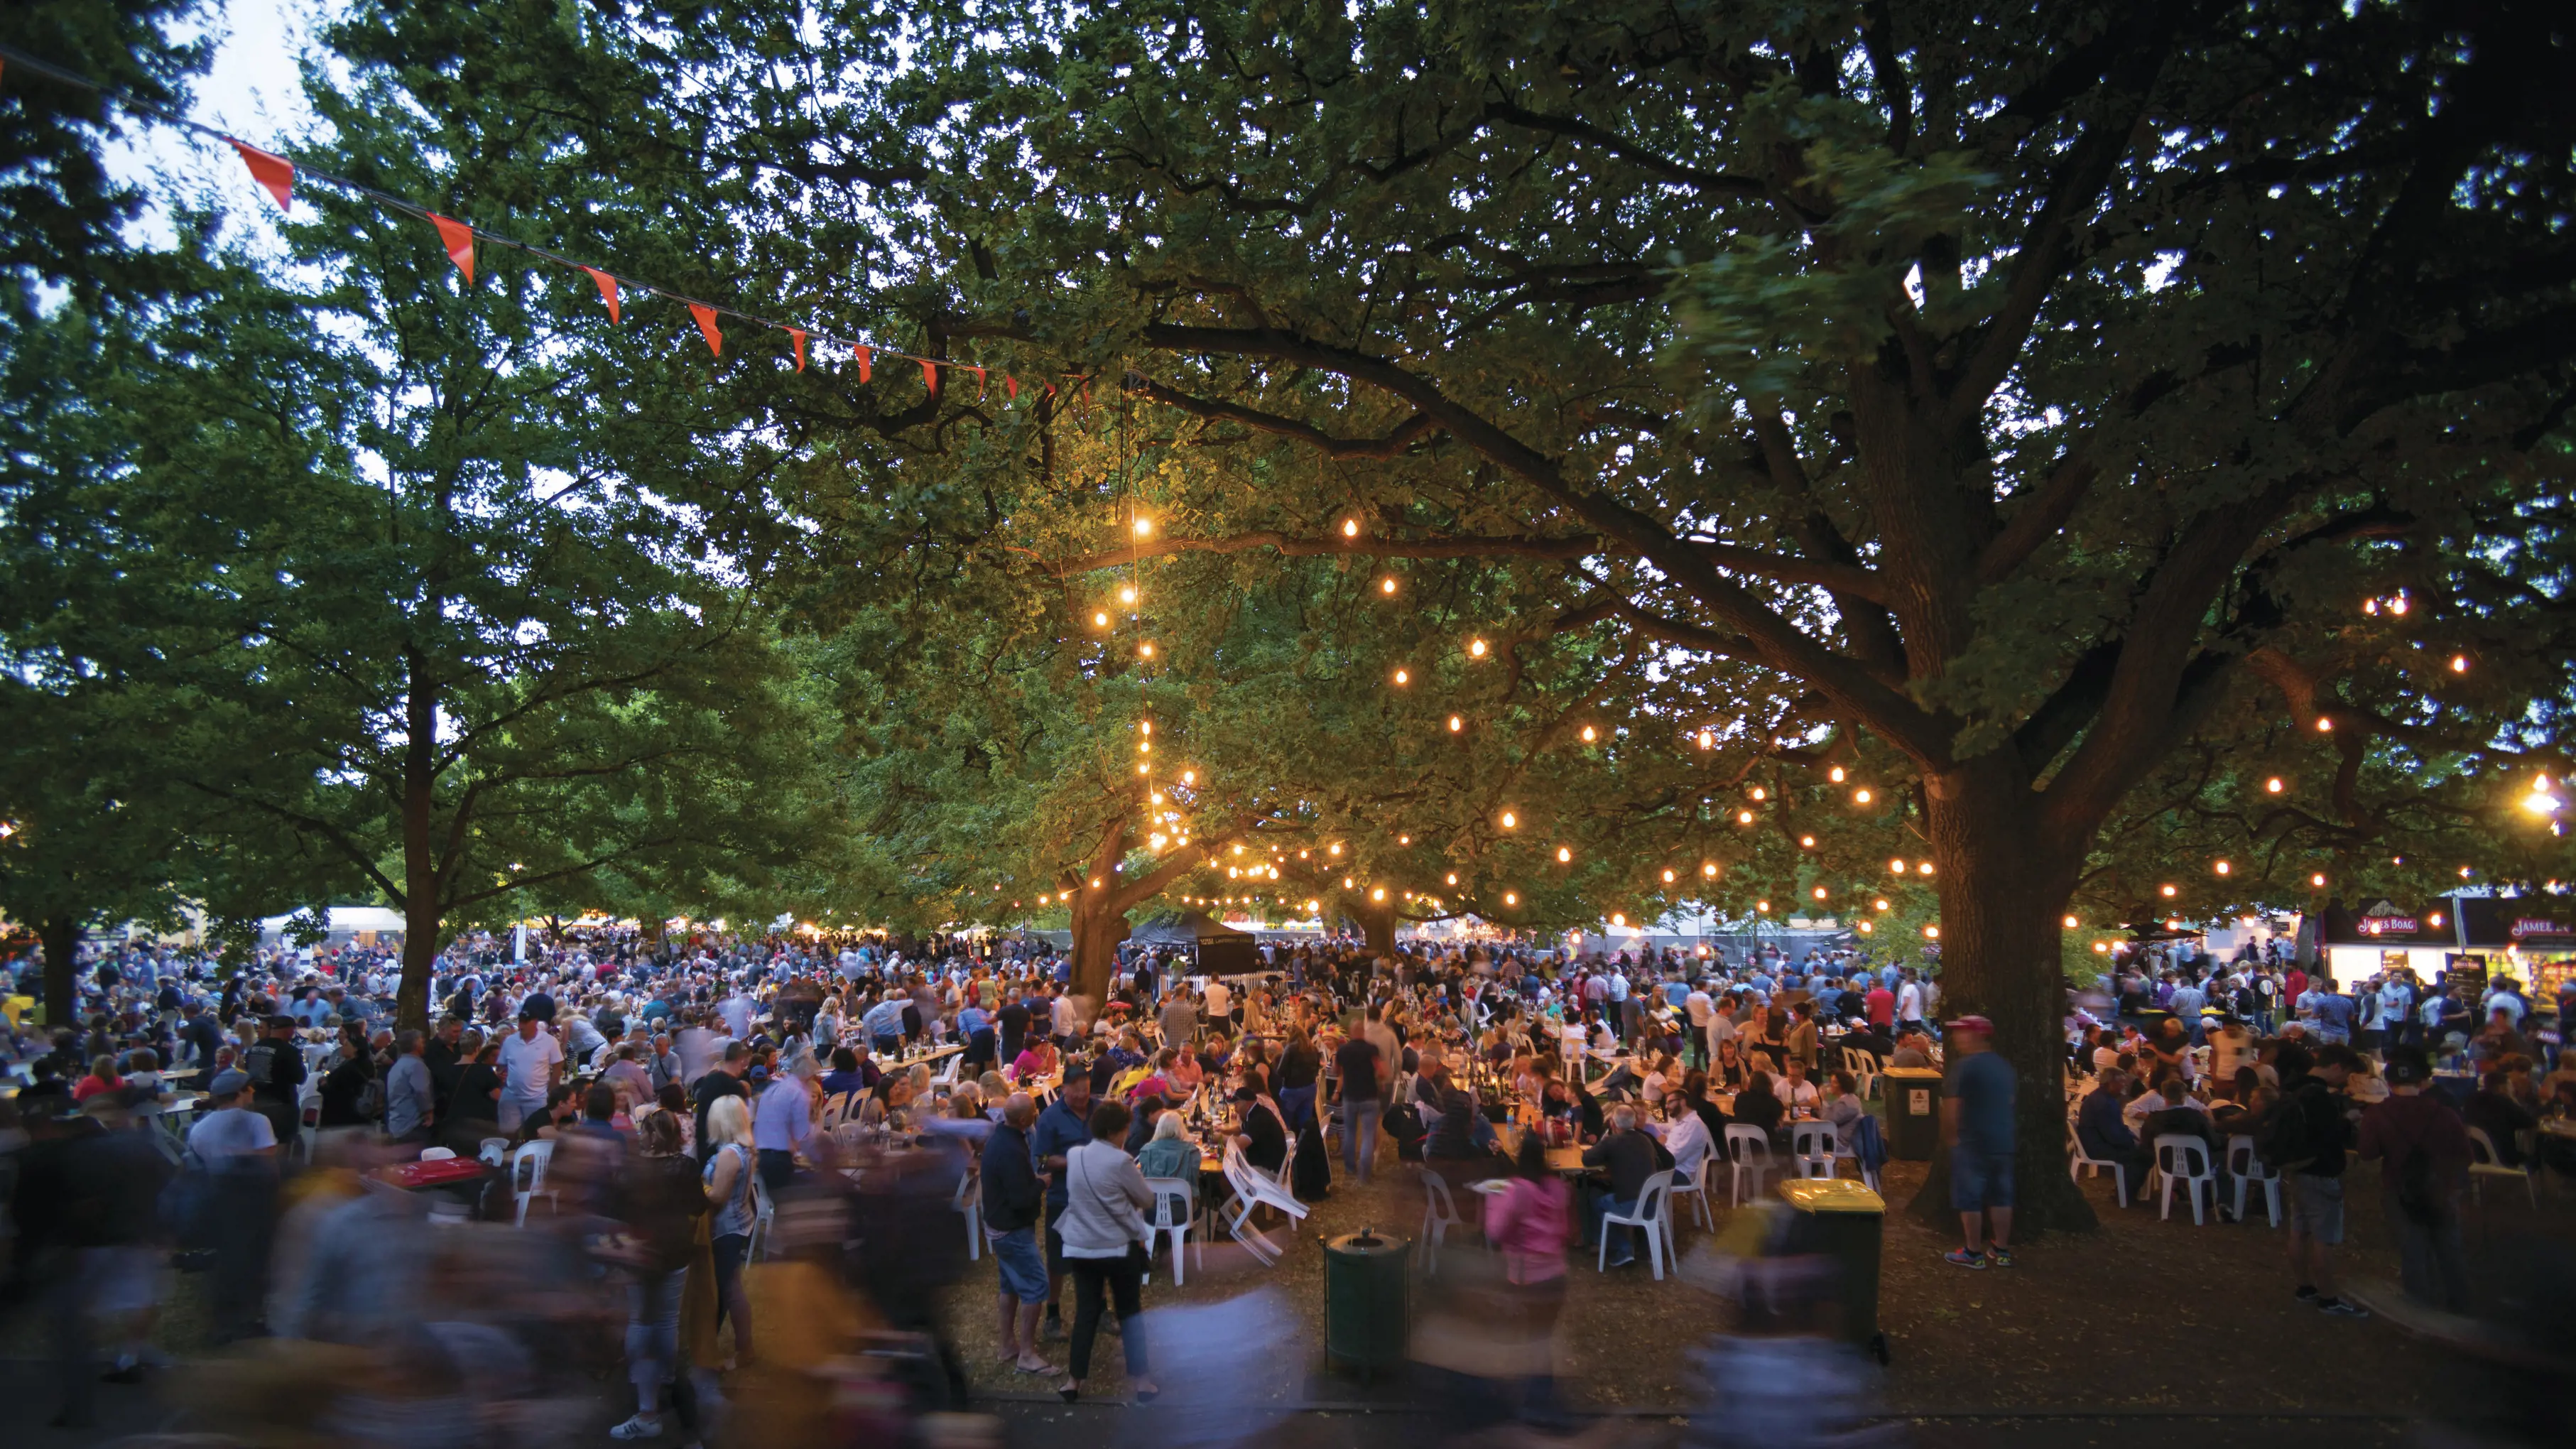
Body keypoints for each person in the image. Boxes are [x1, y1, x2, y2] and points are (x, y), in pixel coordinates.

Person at [609, 1109, 709, 1445]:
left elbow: (616, 1211)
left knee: (641, 1322)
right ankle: (667, 1380)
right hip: (677, 1249)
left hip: (641, 1252)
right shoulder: (685, 1167)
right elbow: (699, 1207)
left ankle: (647, 1403)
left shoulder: (631, 1171)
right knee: (667, 1322)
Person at [1053, 1099, 1158, 1404]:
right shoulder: (1121, 1161)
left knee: (1086, 1312)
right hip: (1116, 1247)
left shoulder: (1075, 1155)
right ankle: (1142, 1381)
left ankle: (1074, 1381)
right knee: (1129, 1312)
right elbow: (1147, 1198)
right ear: (1116, 1132)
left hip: (1080, 1245)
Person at [2355, 1046, 2472, 1312]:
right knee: (2449, 1250)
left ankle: (2419, 1311)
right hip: (2443, 1187)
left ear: (2389, 1082)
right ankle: (2460, 1307)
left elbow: (2367, 1153)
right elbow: (2466, 1154)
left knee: (2413, 1250)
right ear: (2421, 1082)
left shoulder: (2378, 1114)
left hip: (2400, 1187)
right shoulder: (2444, 1113)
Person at [2268, 1042, 2369, 1317]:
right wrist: (2348, 1119)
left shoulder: (2292, 1087)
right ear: (2336, 1066)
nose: (2345, 1081)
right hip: (2321, 1171)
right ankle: (2328, 1297)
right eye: (2346, 1074)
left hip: (2298, 1168)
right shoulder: (2318, 1096)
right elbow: (2327, 1135)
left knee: (2299, 1230)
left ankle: (2304, 1287)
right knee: (2324, 1237)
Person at [184, 1068, 279, 1342]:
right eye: (250, 1088)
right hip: (253, 1199)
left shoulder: (199, 1127)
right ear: (240, 1092)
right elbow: (268, 1163)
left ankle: (224, 1320)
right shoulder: (257, 1122)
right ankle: (250, 1318)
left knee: (228, 1259)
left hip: (217, 1198)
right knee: (255, 1260)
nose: (253, 1092)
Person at [982, 1093, 1053, 1375]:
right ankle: (1026, 1354)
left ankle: (1007, 1344)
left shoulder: (1002, 1138)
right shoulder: (1010, 1150)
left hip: (999, 1225)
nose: (1037, 1114)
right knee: (1035, 1286)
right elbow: (1021, 1198)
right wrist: (1041, 1183)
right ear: (1024, 1119)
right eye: (1035, 1111)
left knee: (1009, 1286)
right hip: (1011, 1229)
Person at [1940, 1014, 2016, 1268]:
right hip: (2003, 1140)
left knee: (1970, 1197)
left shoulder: (1965, 1067)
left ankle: (1973, 1252)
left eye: (1962, 1032)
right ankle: (2001, 1250)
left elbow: (1951, 1106)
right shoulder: (2004, 1066)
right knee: (2001, 1197)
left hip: (1972, 1140)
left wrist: (1951, 1137)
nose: (1956, 1037)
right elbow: (2011, 1102)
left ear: (1976, 1035)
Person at [1031, 1071, 1095, 1341]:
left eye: (1086, 1090)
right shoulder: (1049, 1118)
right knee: (1058, 1259)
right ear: (1065, 1089)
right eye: (1077, 1091)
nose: (1082, 1096)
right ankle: (1053, 1315)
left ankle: (1100, 1310)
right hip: (1063, 1197)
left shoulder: (1099, 1110)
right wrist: (1075, 1159)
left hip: (1096, 1196)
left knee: (1097, 1255)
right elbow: (1042, 1161)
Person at [700, 1094, 759, 1362]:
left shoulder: (728, 1154)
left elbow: (717, 1196)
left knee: (730, 1289)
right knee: (729, 1287)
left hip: (726, 1227)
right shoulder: (745, 1148)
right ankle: (725, 1344)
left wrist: (696, 1187)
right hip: (741, 1220)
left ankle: (744, 1349)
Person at [1580, 1104, 1665, 1269]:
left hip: (1631, 1206)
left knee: (1594, 1198)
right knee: (1613, 1194)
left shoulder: (1612, 1141)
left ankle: (1621, 1247)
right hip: (1654, 1204)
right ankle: (1635, 1245)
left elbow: (1587, 1160)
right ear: (1633, 1123)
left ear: (1613, 1123)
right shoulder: (1646, 1139)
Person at [2075, 1068, 2152, 1202]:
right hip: (2098, 1147)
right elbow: (2113, 1136)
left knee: (2142, 1151)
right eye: (2122, 1082)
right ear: (2111, 1083)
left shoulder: (2102, 1098)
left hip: (2097, 1142)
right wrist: (2133, 1142)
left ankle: (2126, 1192)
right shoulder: (2104, 1103)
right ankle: (2125, 1195)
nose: (2125, 1085)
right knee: (2145, 1156)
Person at [496, 1009, 565, 1134]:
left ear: (534, 1022)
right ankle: (510, 1152)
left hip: (537, 1097)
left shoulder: (549, 1041)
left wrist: (552, 1087)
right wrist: (501, 1075)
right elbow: (501, 1065)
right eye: (520, 1022)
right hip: (512, 1095)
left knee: (536, 1132)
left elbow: (558, 1064)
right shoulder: (510, 1041)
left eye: (525, 1022)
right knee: (508, 1133)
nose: (521, 1025)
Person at [1335, 1022, 1385, 1185]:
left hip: (1350, 1096)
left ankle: (1350, 1167)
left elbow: (1337, 1071)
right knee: (1368, 1134)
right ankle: (1365, 1172)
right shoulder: (1372, 1049)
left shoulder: (1343, 1050)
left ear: (1350, 1032)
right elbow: (1381, 1071)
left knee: (1349, 1132)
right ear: (1362, 1032)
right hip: (1370, 1096)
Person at [384, 1029, 435, 1143]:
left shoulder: (397, 1066)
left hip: (397, 1123)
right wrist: (429, 1111)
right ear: (416, 1044)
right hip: (412, 1124)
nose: (424, 1045)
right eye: (422, 1042)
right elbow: (422, 1091)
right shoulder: (416, 1065)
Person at [1135, 1110, 1198, 1180]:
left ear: (1159, 1127)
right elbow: (1194, 1177)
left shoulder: (1146, 1151)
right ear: (1181, 1128)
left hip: (1153, 1190)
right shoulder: (1192, 1151)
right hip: (1183, 1190)